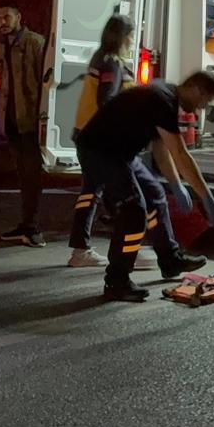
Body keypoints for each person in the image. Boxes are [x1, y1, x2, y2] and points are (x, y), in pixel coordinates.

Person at [73, 72, 214, 301]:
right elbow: (181, 154)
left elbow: (162, 148)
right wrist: (206, 196)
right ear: (197, 89)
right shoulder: (163, 99)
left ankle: (170, 260)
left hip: (119, 153)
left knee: (155, 194)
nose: (202, 108)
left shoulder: (164, 95)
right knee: (133, 211)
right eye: (206, 100)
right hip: (100, 152)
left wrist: (176, 184)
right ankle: (117, 280)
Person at [66, 14, 136, 268]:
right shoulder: (113, 63)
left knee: (90, 192)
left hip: (87, 136)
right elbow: (107, 101)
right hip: (100, 141)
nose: (132, 39)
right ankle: (125, 250)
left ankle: (80, 249)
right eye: (130, 34)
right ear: (122, 36)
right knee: (126, 196)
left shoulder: (102, 58)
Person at [0, 0, 47, 247]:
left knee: (32, 175)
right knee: (23, 176)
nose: (2, 22)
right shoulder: (4, 45)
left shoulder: (34, 43)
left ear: (19, 17)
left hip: (29, 121)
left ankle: (33, 228)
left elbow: (44, 84)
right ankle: (27, 225)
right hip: (13, 121)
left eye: (6, 17)